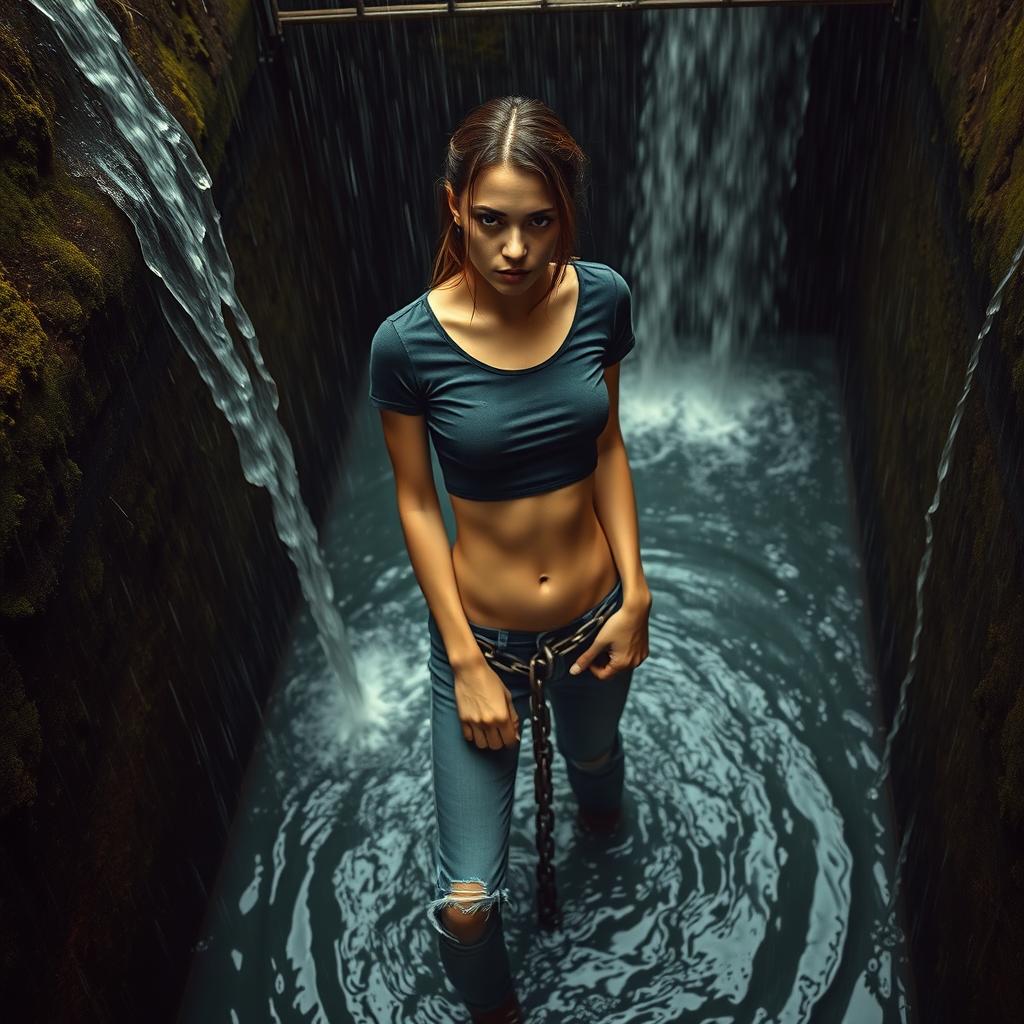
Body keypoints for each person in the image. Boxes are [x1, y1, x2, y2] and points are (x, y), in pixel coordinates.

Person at [367, 95, 651, 1023]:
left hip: (595, 615)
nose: (517, 249)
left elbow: (608, 446)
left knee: (594, 754)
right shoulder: (406, 345)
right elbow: (415, 501)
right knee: (467, 910)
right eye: (492, 221)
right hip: (479, 647)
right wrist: (461, 660)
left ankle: (604, 821)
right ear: (455, 206)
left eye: (539, 222)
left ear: (565, 213)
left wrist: (636, 592)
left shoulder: (602, 296)